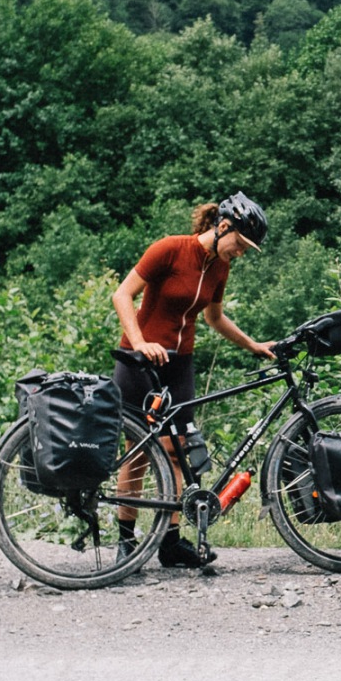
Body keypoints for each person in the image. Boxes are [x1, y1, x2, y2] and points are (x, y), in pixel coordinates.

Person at [111, 192, 275, 567]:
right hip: (141, 363)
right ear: (223, 227)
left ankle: (170, 544)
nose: (242, 253)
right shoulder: (169, 250)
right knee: (138, 454)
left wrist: (253, 345)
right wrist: (139, 342)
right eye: (241, 244)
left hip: (179, 366)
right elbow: (122, 295)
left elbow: (214, 318)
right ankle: (125, 541)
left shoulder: (220, 267)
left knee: (176, 451)